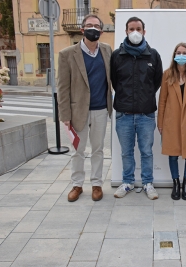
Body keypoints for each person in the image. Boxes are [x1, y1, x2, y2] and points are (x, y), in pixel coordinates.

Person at [57, 14, 112, 202]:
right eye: (90, 25)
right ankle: (77, 185)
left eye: (97, 26)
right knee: (78, 150)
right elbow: (62, 87)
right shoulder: (67, 54)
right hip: (77, 111)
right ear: (82, 29)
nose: (93, 29)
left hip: (100, 109)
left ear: (101, 31)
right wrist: (65, 115)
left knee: (98, 149)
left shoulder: (106, 50)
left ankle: (96, 184)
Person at [110, 17, 163, 200]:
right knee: (126, 152)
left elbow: (156, 82)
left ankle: (148, 182)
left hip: (146, 114)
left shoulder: (153, 55)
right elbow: (115, 82)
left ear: (144, 31)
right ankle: (127, 182)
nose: (135, 32)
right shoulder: (117, 55)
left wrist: (144, 98)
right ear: (126, 31)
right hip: (123, 114)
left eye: (138, 28)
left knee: (146, 151)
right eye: (131, 28)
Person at [157, 43, 186, 201]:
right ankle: (175, 183)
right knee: (172, 155)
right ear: (174, 55)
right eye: (178, 52)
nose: (181, 55)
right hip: (171, 120)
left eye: (184, 52)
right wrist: (160, 122)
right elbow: (162, 100)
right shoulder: (167, 75)